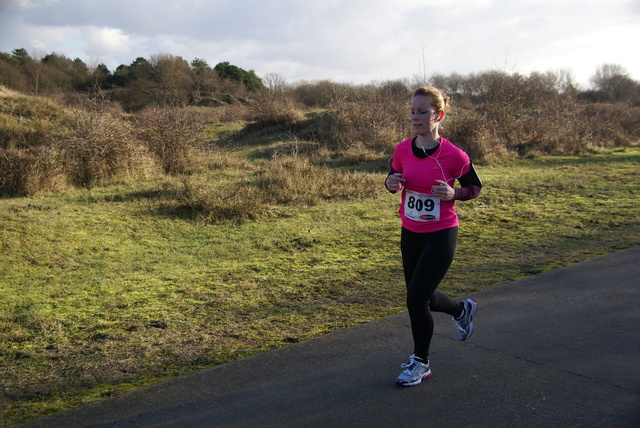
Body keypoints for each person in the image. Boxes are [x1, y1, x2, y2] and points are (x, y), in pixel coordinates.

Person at [385, 86, 483, 387]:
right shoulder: (402, 149)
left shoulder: (453, 155)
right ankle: (461, 309)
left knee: (415, 298)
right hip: (410, 232)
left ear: (438, 115)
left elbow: (475, 188)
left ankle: (421, 361)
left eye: (422, 111)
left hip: (441, 233)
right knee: (422, 296)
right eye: (412, 111)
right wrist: (390, 182)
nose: (415, 117)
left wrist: (455, 192)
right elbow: (393, 176)